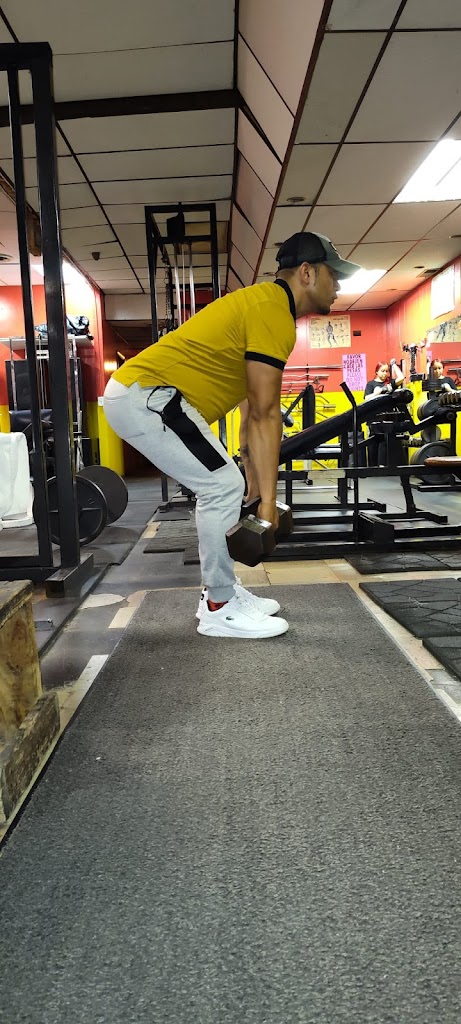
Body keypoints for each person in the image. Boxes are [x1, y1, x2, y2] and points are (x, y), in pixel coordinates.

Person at [103, 230, 359, 639]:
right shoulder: (272, 312)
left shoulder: (264, 306)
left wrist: (254, 482)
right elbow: (265, 414)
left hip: (148, 397)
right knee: (221, 487)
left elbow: (249, 409)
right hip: (148, 396)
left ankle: (222, 592)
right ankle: (218, 606)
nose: (339, 286)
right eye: (334, 275)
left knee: (227, 484)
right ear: (307, 273)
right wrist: (268, 504)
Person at [364, 360, 405, 466]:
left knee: (386, 447)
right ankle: (373, 470)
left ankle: (387, 468)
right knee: (373, 446)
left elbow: (401, 378)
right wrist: (377, 393)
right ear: (376, 372)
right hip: (374, 420)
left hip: (388, 421)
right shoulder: (371, 384)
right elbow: (366, 399)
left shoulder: (389, 384)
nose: (385, 373)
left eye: (386, 371)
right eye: (382, 371)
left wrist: (393, 365)